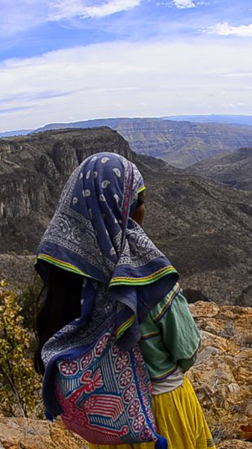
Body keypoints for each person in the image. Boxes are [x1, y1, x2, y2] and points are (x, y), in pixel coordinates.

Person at [33, 152, 215, 449]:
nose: (145, 209)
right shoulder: (150, 279)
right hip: (163, 417)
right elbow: (186, 350)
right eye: (140, 201)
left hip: (112, 428)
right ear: (122, 209)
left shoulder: (70, 281)